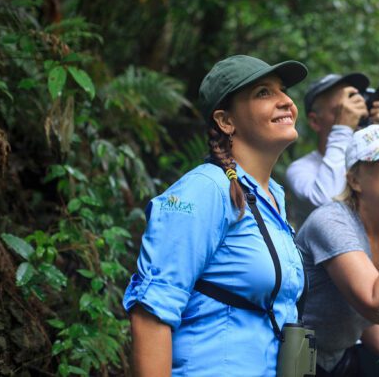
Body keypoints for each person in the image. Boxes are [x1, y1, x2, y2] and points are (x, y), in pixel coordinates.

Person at [123, 55, 308, 376]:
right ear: (226, 121)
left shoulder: (272, 195)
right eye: (264, 93)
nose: (286, 102)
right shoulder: (204, 190)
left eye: (283, 91)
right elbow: (151, 314)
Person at [285, 73, 379, 365]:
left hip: (336, 353)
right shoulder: (331, 221)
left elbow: (361, 319)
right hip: (297, 355)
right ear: (353, 178)